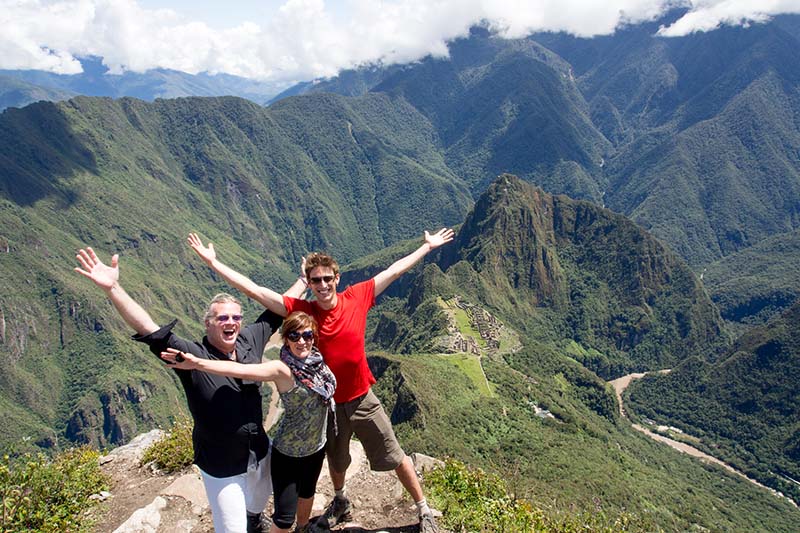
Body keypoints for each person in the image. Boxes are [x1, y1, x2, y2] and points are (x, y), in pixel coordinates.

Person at [186, 228, 455, 533]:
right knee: (337, 460)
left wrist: (427, 247)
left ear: (337, 279)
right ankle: (340, 501)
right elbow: (255, 291)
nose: (323, 285)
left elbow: (394, 270)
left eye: (328, 279)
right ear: (309, 284)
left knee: (393, 453)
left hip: (362, 397)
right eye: (316, 280)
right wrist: (214, 264)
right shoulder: (304, 311)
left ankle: (423, 509)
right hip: (325, 403)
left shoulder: (358, 296)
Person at [74, 246, 306, 533]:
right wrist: (113, 288)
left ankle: (254, 518)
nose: (230, 323)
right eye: (222, 318)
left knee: (257, 503)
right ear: (208, 323)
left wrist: (305, 281)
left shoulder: (250, 340)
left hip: (259, 451)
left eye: (235, 317)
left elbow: (278, 308)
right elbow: (149, 329)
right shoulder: (192, 356)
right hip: (222, 464)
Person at [160, 311, 335, 533]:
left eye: (307, 335)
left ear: (314, 337)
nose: (302, 341)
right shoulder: (282, 369)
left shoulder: (316, 362)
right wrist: (198, 364)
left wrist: (304, 283)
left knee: (308, 492)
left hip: (316, 446)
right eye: (294, 336)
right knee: (283, 519)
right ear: (286, 339)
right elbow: (241, 369)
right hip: (289, 453)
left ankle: (303, 529)